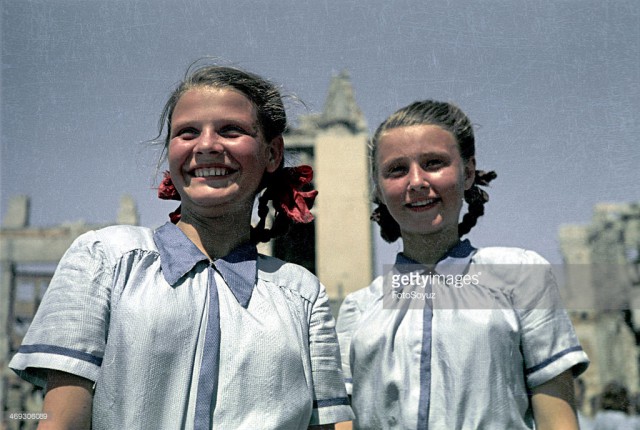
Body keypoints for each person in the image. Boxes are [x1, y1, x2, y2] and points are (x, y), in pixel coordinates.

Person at [10, 64, 353, 429]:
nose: (206, 145)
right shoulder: (104, 258)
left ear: (272, 153)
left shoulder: (301, 293)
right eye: (187, 132)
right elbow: (60, 422)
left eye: (231, 130)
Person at [336, 100, 589, 429]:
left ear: (468, 172)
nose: (416, 181)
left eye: (433, 163)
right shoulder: (357, 309)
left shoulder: (521, 275)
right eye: (397, 170)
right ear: (379, 188)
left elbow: (558, 422)